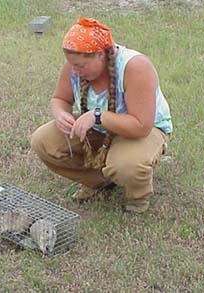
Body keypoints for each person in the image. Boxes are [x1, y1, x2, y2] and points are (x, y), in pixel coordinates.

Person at [30, 17, 173, 213]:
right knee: (43, 141)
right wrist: (60, 113)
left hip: (141, 131)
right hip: (97, 125)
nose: (75, 70)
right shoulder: (75, 65)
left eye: (80, 66)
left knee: (127, 165)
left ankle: (138, 195)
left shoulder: (135, 67)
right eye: (72, 64)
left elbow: (142, 126)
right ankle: (99, 181)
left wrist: (98, 116)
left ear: (99, 55)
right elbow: (59, 99)